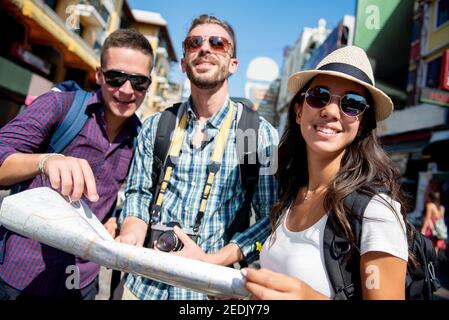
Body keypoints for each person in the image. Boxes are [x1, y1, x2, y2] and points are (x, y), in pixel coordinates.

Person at [116, 14, 278, 300]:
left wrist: (212, 261)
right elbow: (138, 193)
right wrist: (130, 234)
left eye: (218, 43)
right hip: (141, 287)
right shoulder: (157, 126)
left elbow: (271, 219)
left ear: (232, 64)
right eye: (194, 43)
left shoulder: (258, 134)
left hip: (209, 292)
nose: (205, 48)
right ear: (183, 62)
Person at [241, 45, 412, 300]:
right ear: (299, 111)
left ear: (362, 123)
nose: (331, 111)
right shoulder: (290, 195)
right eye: (319, 96)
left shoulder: (376, 214)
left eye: (352, 104)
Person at [0, 28, 153, 299]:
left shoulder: (141, 139)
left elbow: (128, 196)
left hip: (82, 283)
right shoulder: (60, 105)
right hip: (20, 275)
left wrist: (115, 220)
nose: (127, 90)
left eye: (138, 82)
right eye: (116, 77)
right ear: (99, 75)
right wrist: (45, 161)